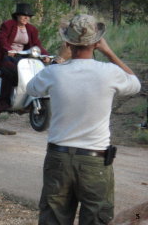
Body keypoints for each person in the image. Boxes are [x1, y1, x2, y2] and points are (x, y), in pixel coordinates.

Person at [26, 14, 141, 225]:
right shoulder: (109, 72)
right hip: (95, 161)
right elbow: (135, 83)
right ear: (96, 42)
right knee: (97, 219)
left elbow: (32, 87)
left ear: (68, 42)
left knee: (53, 219)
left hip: (58, 158)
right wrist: (108, 52)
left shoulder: (54, 72)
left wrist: (60, 57)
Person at [0, 3, 50, 112]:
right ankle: (3, 102)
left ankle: (26, 98)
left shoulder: (32, 29)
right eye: (23, 15)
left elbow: (36, 44)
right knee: (10, 71)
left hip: (23, 58)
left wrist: (45, 55)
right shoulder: (8, 25)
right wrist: (8, 49)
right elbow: (2, 39)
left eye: (28, 16)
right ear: (17, 16)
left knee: (34, 73)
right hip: (5, 55)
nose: (26, 18)